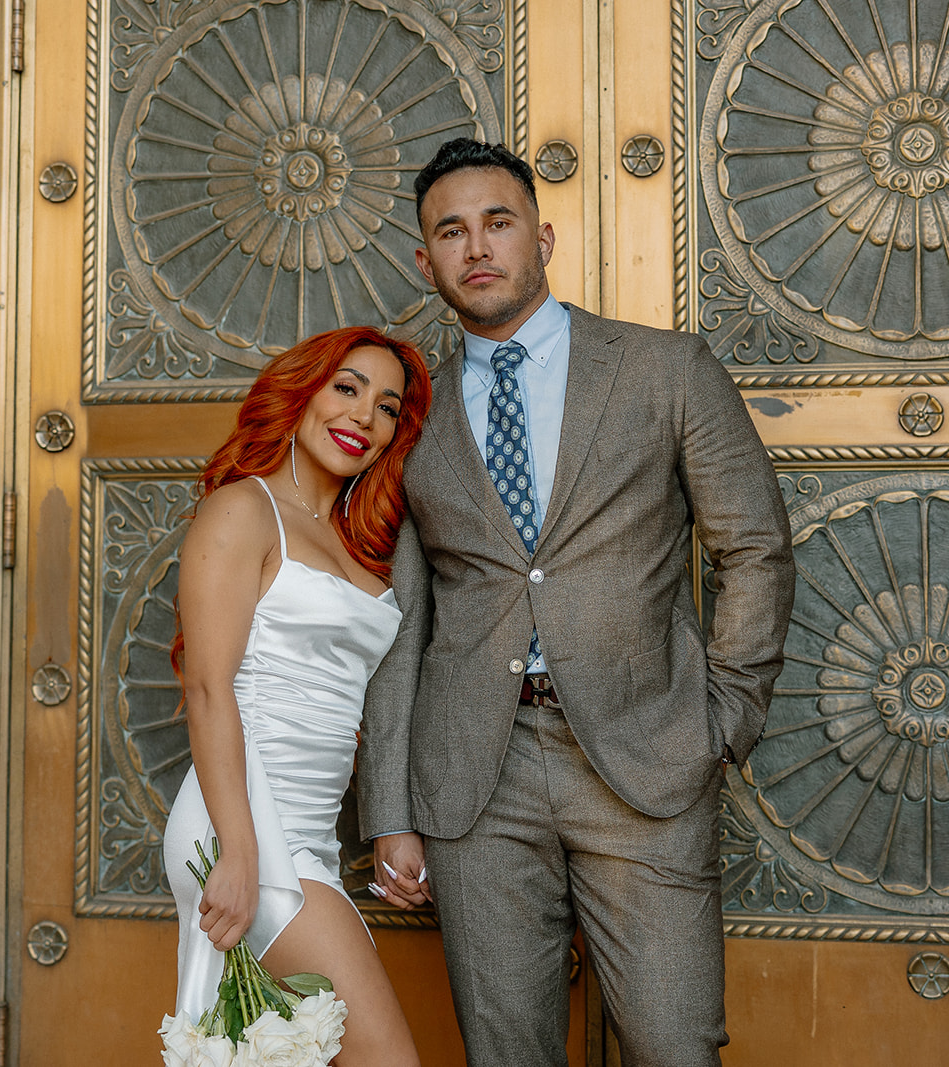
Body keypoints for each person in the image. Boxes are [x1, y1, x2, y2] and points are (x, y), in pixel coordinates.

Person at [358, 139, 795, 1066]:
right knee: (507, 1051)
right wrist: (390, 804)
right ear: (425, 260)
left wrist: (723, 720)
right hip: (476, 776)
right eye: (451, 231)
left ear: (542, 236)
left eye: (498, 222)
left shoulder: (665, 369)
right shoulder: (408, 408)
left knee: (676, 1045)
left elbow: (753, 546)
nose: (477, 246)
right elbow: (405, 616)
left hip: (649, 756)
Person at [163, 326, 433, 1066]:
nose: (363, 417)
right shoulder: (242, 510)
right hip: (241, 820)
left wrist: (395, 825)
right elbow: (210, 689)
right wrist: (240, 851)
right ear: (304, 390)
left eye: (386, 406)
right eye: (346, 388)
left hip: (311, 833)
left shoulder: (359, 538)